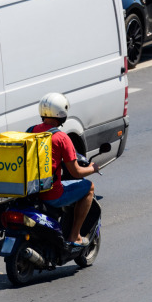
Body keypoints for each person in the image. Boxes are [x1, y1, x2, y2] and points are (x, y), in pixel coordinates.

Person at [31, 93, 98, 247]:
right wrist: (92, 168)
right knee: (89, 187)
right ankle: (74, 235)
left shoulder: (31, 131)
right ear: (62, 113)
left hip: (31, 192)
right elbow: (76, 173)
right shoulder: (61, 138)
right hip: (52, 194)